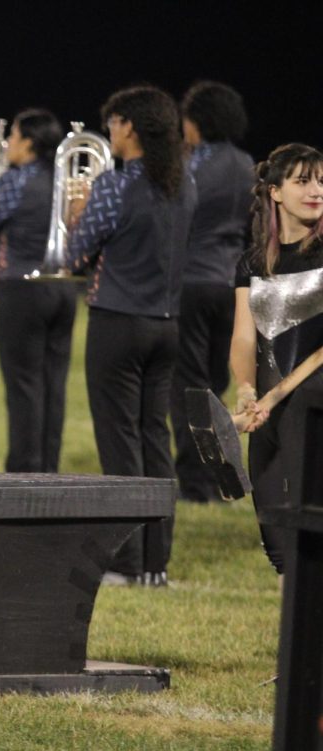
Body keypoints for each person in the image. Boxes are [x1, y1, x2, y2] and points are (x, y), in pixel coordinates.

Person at [67, 86, 197, 587]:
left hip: (117, 322)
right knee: (154, 438)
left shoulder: (114, 186)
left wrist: (77, 212)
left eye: (114, 123)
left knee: (119, 442)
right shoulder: (185, 184)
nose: (110, 133)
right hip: (166, 325)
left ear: (130, 127)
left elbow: (77, 254)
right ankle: (155, 563)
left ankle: (124, 562)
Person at [230, 143, 323, 576]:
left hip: (313, 408)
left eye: (321, 181)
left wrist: (274, 396)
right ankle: (299, 643)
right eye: (303, 181)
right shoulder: (251, 263)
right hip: (267, 416)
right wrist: (247, 391)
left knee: (314, 540)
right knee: (276, 544)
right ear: (274, 193)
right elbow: (244, 339)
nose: (317, 190)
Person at [0, 109, 74, 473]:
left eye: (13, 136)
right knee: (54, 384)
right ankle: (48, 466)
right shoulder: (62, 178)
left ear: (28, 142)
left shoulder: (16, 180)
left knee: (23, 385)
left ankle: (24, 470)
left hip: (22, 288)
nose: (9, 143)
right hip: (62, 288)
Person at [171, 81, 254, 502]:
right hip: (234, 286)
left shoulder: (188, 165)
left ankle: (195, 482)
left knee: (188, 385)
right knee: (216, 386)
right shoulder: (247, 164)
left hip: (190, 282)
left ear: (196, 121)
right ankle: (223, 475)